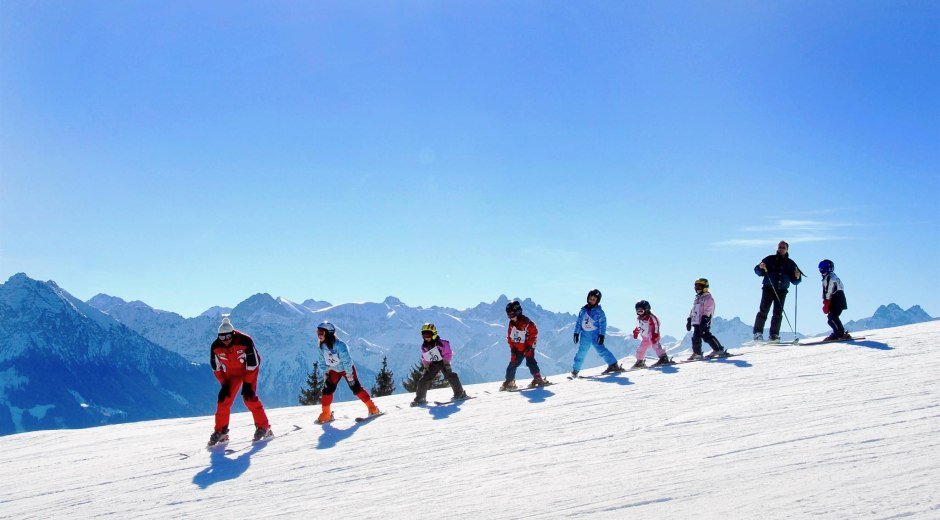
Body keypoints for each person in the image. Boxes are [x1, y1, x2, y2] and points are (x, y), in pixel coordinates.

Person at [207, 316, 273, 447]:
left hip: (249, 371)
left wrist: (248, 383)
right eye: (222, 338)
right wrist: (224, 384)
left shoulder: (245, 340)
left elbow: (254, 363)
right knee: (223, 400)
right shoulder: (215, 346)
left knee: (249, 397)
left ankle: (264, 428)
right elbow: (216, 368)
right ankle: (221, 432)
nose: (225, 340)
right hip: (231, 374)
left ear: (233, 333)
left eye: (228, 337)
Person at [314, 321, 380, 424]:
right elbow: (322, 361)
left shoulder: (340, 345)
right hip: (334, 370)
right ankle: (326, 414)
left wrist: (349, 374)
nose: (319, 335)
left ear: (329, 333)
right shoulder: (321, 347)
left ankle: (372, 408)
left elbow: (347, 361)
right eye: (318, 332)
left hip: (346, 369)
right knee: (327, 390)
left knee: (356, 388)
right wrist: (326, 372)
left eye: (321, 333)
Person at [752, 240, 802, 342]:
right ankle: (758, 334)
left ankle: (774, 335)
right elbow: (758, 271)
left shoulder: (791, 263)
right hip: (768, 288)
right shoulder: (769, 259)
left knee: (778, 313)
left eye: (783, 248)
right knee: (763, 310)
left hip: (782, 290)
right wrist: (760, 267)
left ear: (787, 249)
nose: (781, 249)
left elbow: (795, 281)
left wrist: (798, 277)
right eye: (779, 247)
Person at [411, 323, 469, 406]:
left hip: (443, 362)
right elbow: (424, 356)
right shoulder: (424, 346)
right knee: (424, 379)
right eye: (424, 336)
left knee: (450, 375)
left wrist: (446, 362)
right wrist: (426, 365)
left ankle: (460, 393)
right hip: (434, 363)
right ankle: (420, 398)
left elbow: (448, 353)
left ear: (434, 334)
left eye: (428, 335)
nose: (426, 338)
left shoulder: (442, 343)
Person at [572, 289, 623, 377]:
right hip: (585, 334)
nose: (591, 301)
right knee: (581, 352)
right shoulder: (583, 310)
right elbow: (579, 322)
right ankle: (575, 370)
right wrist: (576, 333)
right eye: (590, 299)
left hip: (595, 334)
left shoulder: (599, 312)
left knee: (601, 350)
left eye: (594, 299)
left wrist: (601, 335)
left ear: (597, 301)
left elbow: (603, 324)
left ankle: (613, 364)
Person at [501, 300, 548, 390]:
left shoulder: (526, 323)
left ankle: (537, 377)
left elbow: (534, 333)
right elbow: (510, 337)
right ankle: (509, 381)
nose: (510, 318)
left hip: (528, 346)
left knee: (530, 361)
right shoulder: (511, 324)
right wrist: (512, 349)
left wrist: (529, 346)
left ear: (518, 312)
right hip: (518, 347)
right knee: (513, 363)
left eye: (512, 315)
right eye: (508, 315)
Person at [686, 278, 729, 360]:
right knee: (695, 337)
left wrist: (705, 319)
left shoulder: (708, 298)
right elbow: (693, 310)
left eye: (699, 287)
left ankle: (718, 349)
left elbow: (708, 309)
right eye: (696, 287)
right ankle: (697, 353)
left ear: (705, 287)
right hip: (696, 321)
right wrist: (689, 319)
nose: (697, 289)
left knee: (706, 335)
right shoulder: (697, 298)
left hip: (704, 320)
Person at [631, 300, 673, 368]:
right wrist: (636, 331)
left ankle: (663, 357)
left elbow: (656, 325)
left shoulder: (651, 317)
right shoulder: (639, 318)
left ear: (646, 310)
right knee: (641, 349)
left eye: (641, 311)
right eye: (638, 311)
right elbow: (638, 326)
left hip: (652, 335)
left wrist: (655, 334)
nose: (640, 313)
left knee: (655, 345)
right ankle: (640, 362)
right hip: (645, 338)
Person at [819, 259, 851, 341]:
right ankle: (838, 333)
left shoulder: (830, 277)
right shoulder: (831, 276)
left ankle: (840, 334)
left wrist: (826, 302)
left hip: (836, 299)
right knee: (832, 318)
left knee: (832, 317)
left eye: (824, 268)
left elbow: (829, 290)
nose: (822, 270)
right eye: (821, 268)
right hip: (837, 298)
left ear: (829, 268)